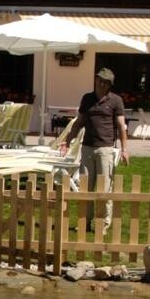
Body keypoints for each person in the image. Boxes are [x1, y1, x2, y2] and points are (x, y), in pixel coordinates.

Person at [63, 67, 129, 234]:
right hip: (87, 148)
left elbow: (122, 126)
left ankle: (103, 225)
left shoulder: (116, 101)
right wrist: (67, 140)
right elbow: (79, 121)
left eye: (104, 81)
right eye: (98, 80)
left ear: (109, 85)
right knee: (85, 187)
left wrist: (124, 149)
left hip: (105, 149)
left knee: (104, 188)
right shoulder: (87, 98)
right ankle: (85, 223)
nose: (100, 83)